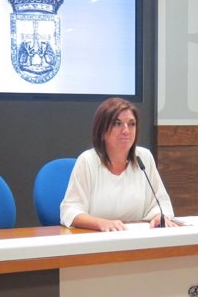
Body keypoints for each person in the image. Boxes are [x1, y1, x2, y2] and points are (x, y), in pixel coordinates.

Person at [60, 97, 176, 231]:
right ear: (102, 131)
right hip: (95, 240)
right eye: (117, 123)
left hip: (135, 241)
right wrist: (100, 223)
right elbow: (69, 210)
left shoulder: (143, 158)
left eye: (131, 124)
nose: (126, 131)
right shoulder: (87, 161)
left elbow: (162, 203)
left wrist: (158, 216)